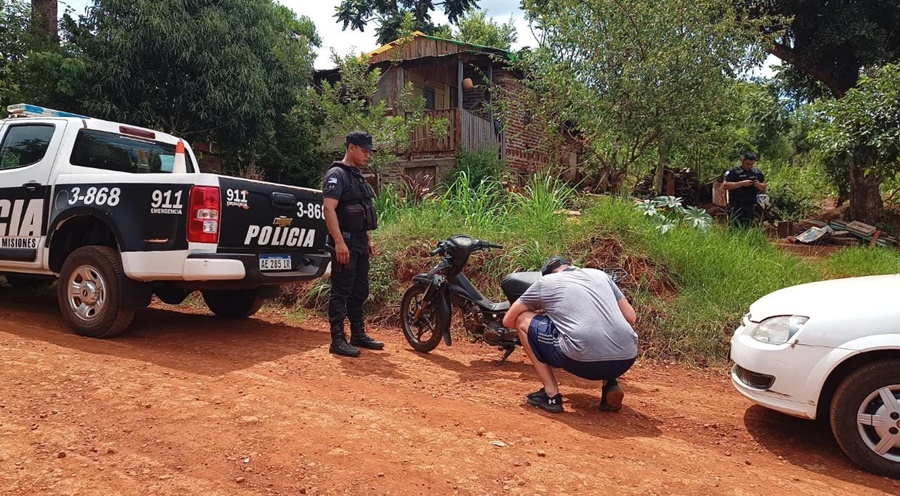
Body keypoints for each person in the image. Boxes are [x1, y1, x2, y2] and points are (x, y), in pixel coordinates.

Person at [502, 257, 638, 413]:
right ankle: (610, 385)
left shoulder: (546, 283)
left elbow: (508, 320)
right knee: (602, 324)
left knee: (522, 320)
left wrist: (550, 319)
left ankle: (550, 395)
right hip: (626, 359)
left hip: (582, 361)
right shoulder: (600, 275)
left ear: (548, 274)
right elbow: (631, 316)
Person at [322, 131, 383, 357]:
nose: (368, 155)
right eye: (364, 150)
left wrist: (368, 239)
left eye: (369, 151)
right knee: (341, 291)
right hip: (344, 241)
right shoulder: (336, 175)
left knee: (359, 290)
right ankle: (337, 340)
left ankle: (358, 333)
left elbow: (362, 211)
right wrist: (339, 243)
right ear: (351, 148)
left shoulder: (356, 175)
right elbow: (329, 209)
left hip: (358, 241)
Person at [722, 151, 767, 227]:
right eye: (747, 164)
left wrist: (758, 185)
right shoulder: (733, 172)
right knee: (734, 228)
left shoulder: (757, 172)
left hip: (750, 206)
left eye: (752, 164)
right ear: (742, 161)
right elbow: (725, 185)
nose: (749, 166)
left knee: (748, 228)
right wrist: (741, 183)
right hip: (736, 206)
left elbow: (764, 186)